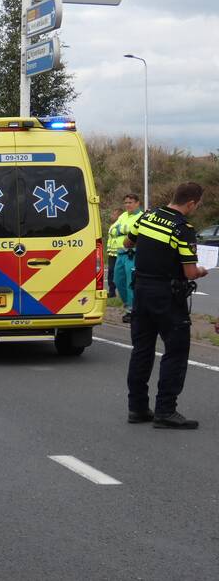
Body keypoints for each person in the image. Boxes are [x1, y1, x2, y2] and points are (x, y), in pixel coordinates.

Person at [124, 182, 209, 429]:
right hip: (167, 296)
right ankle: (165, 410)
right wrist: (202, 271)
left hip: (141, 291)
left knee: (142, 350)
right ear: (191, 203)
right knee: (176, 350)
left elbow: (128, 243)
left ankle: (137, 408)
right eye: (197, 205)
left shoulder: (147, 216)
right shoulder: (183, 229)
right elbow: (190, 272)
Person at [112, 194, 143, 322]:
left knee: (131, 283)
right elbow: (113, 230)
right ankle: (128, 306)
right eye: (125, 203)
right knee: (118, 281)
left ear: (137, 203)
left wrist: (121, 229)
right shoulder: (123, 215)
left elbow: (134, 231)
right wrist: (124, 230)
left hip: (132, 254)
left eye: (130, 202)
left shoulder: (141, 216)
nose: (127, 205)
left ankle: (132, 311)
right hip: (120, 253)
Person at [106, 207, 123, 298]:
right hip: (112, 253)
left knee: (117, 274)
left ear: (119, 216)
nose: (111, 215)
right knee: (111, 273)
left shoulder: (120, 224)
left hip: (119, 253)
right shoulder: (113, 225)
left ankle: (117, 292)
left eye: (114, 214)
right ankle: (112, 292)